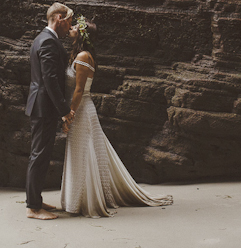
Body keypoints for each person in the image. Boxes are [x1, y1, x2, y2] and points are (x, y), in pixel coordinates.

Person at [60, 16, 173, 218]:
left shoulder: (84, 56)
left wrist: (69, 115)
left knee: (84, 152)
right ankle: (76, 199)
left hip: (82, 109)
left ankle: (85, 200)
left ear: (83, 34)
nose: (72, 27)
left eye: (76, 26)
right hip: (82, 109)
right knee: (81, 151)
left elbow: (78, 91)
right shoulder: (79, 54)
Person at [25, 2, 76, 220]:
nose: (69, 27)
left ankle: (35, 199)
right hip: (44, 106)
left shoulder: (44, 39)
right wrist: (64, 110)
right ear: (58, 17)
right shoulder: (47, 41)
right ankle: (33, 208)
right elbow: (50, 79)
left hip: (42, 105)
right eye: (69, 22)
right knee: (39, 155)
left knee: (41, 154)